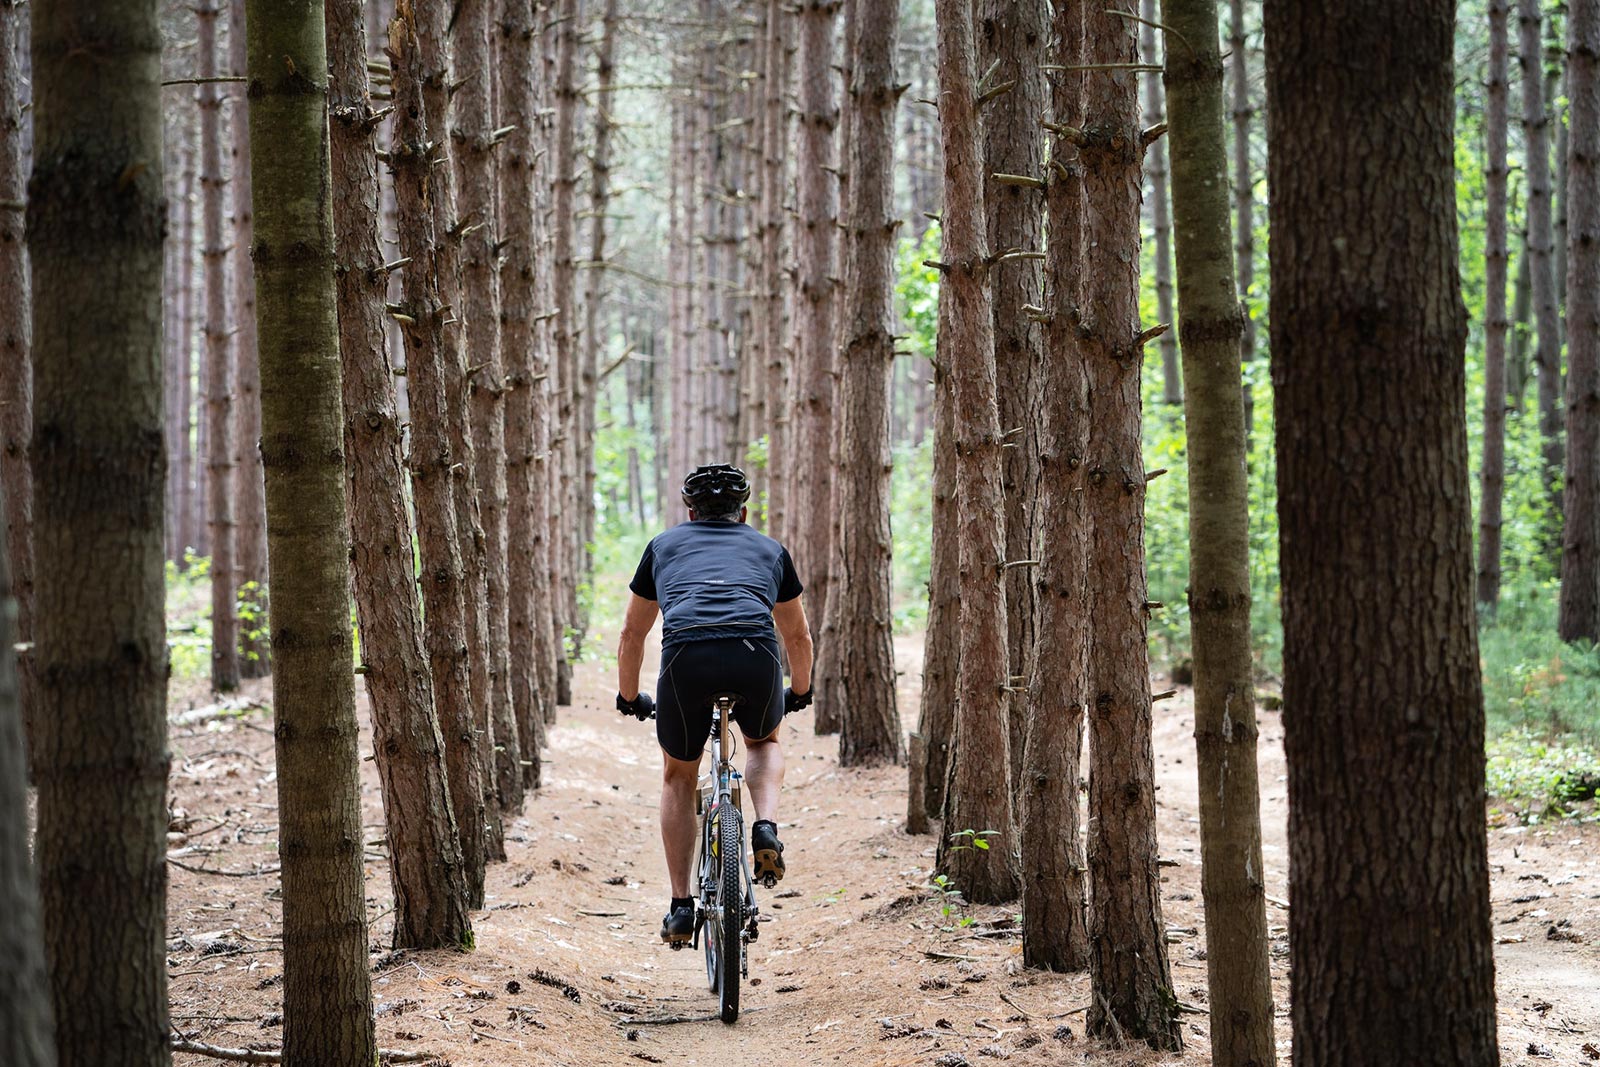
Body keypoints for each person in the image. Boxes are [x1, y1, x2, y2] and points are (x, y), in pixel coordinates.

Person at [615, 464, 814, 945]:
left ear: (690, 511)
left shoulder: (663, 547)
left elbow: (632, 633)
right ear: (743, 512)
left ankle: (682, 906)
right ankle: (764, 827)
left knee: (678, 773)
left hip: (687, 656)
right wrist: (802, 690)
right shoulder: (769, 549)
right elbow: (797, 635)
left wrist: (629, 696)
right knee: (764, 742)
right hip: (754, 652)